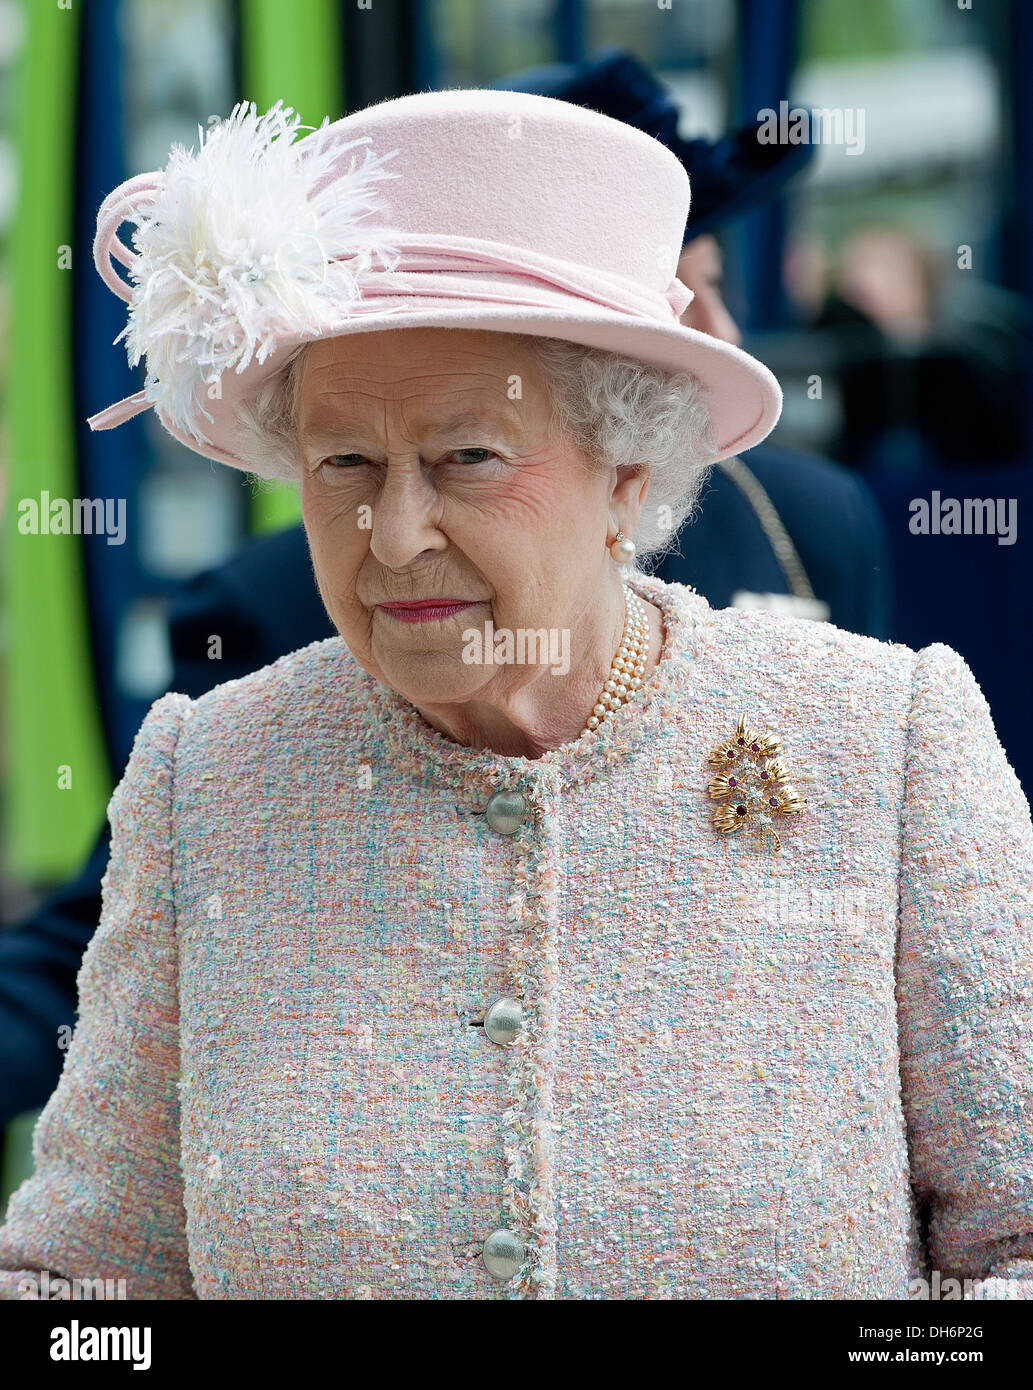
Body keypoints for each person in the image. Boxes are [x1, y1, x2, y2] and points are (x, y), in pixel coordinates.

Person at [1, 90, 1031, 1300]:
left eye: (466, 458)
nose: (392, 536)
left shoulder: (885, 743)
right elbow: (81, 1291)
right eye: (345, 463)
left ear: (627, 474)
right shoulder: (212, 777)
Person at [499, 47, 891, 632]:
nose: (723, 331)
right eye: (672, 293)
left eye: (712, 281)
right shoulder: (343, 580)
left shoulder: (813, 519)